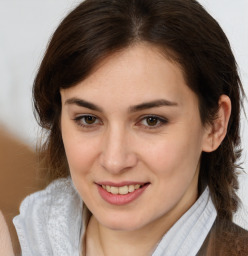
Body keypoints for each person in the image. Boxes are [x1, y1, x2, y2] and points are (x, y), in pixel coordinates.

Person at [13, 0, 248, 255]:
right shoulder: (11, 240)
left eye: (151, 120)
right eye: (88, 119)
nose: (114, 161)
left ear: (215, 125)